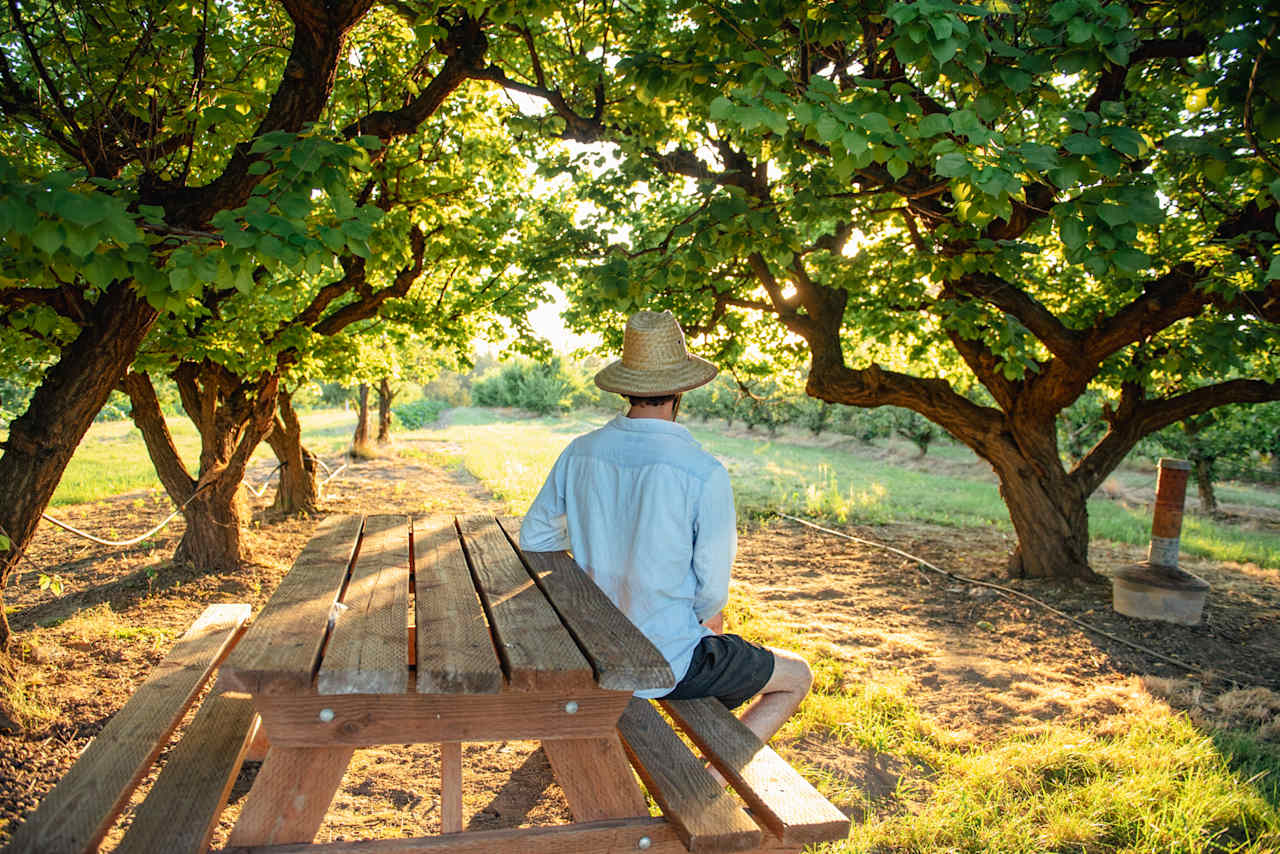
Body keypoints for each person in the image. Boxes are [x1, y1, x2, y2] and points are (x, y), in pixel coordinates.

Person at [519, 309, 812, 744]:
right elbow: (711, 594)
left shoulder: (580, 452)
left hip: (594, 645)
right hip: (666, 662)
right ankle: (708, 787)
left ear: (627, 388)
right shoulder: (703, 471)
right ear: (681, 388)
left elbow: (534, 537)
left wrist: (599, 527)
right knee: (799, 675)